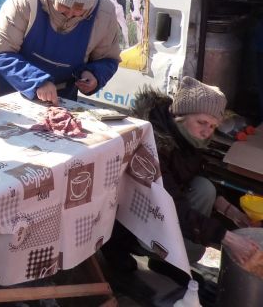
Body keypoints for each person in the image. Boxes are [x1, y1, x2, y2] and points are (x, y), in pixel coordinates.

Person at [102, 77, 262, 283]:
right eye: (202, 122)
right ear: (180, 115)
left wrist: (232, 212)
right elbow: (170, 206)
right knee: (189, 242)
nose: (207, 131)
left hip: (162, 208)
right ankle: (127, 249)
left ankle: (169, 260)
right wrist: (228, 238)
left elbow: (198, 172)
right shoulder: (152, 144)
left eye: (213, 126)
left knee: (204, 187)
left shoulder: (186, 135)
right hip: (129, 221)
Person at [0, 0, 121, 104]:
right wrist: (37, 81)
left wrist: (94, 75)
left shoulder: (103, 13)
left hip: (58, 94)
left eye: (79, 10)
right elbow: (1, 51)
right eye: (64, 6)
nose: (70, 14)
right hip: (5, 84)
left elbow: (108, 58)